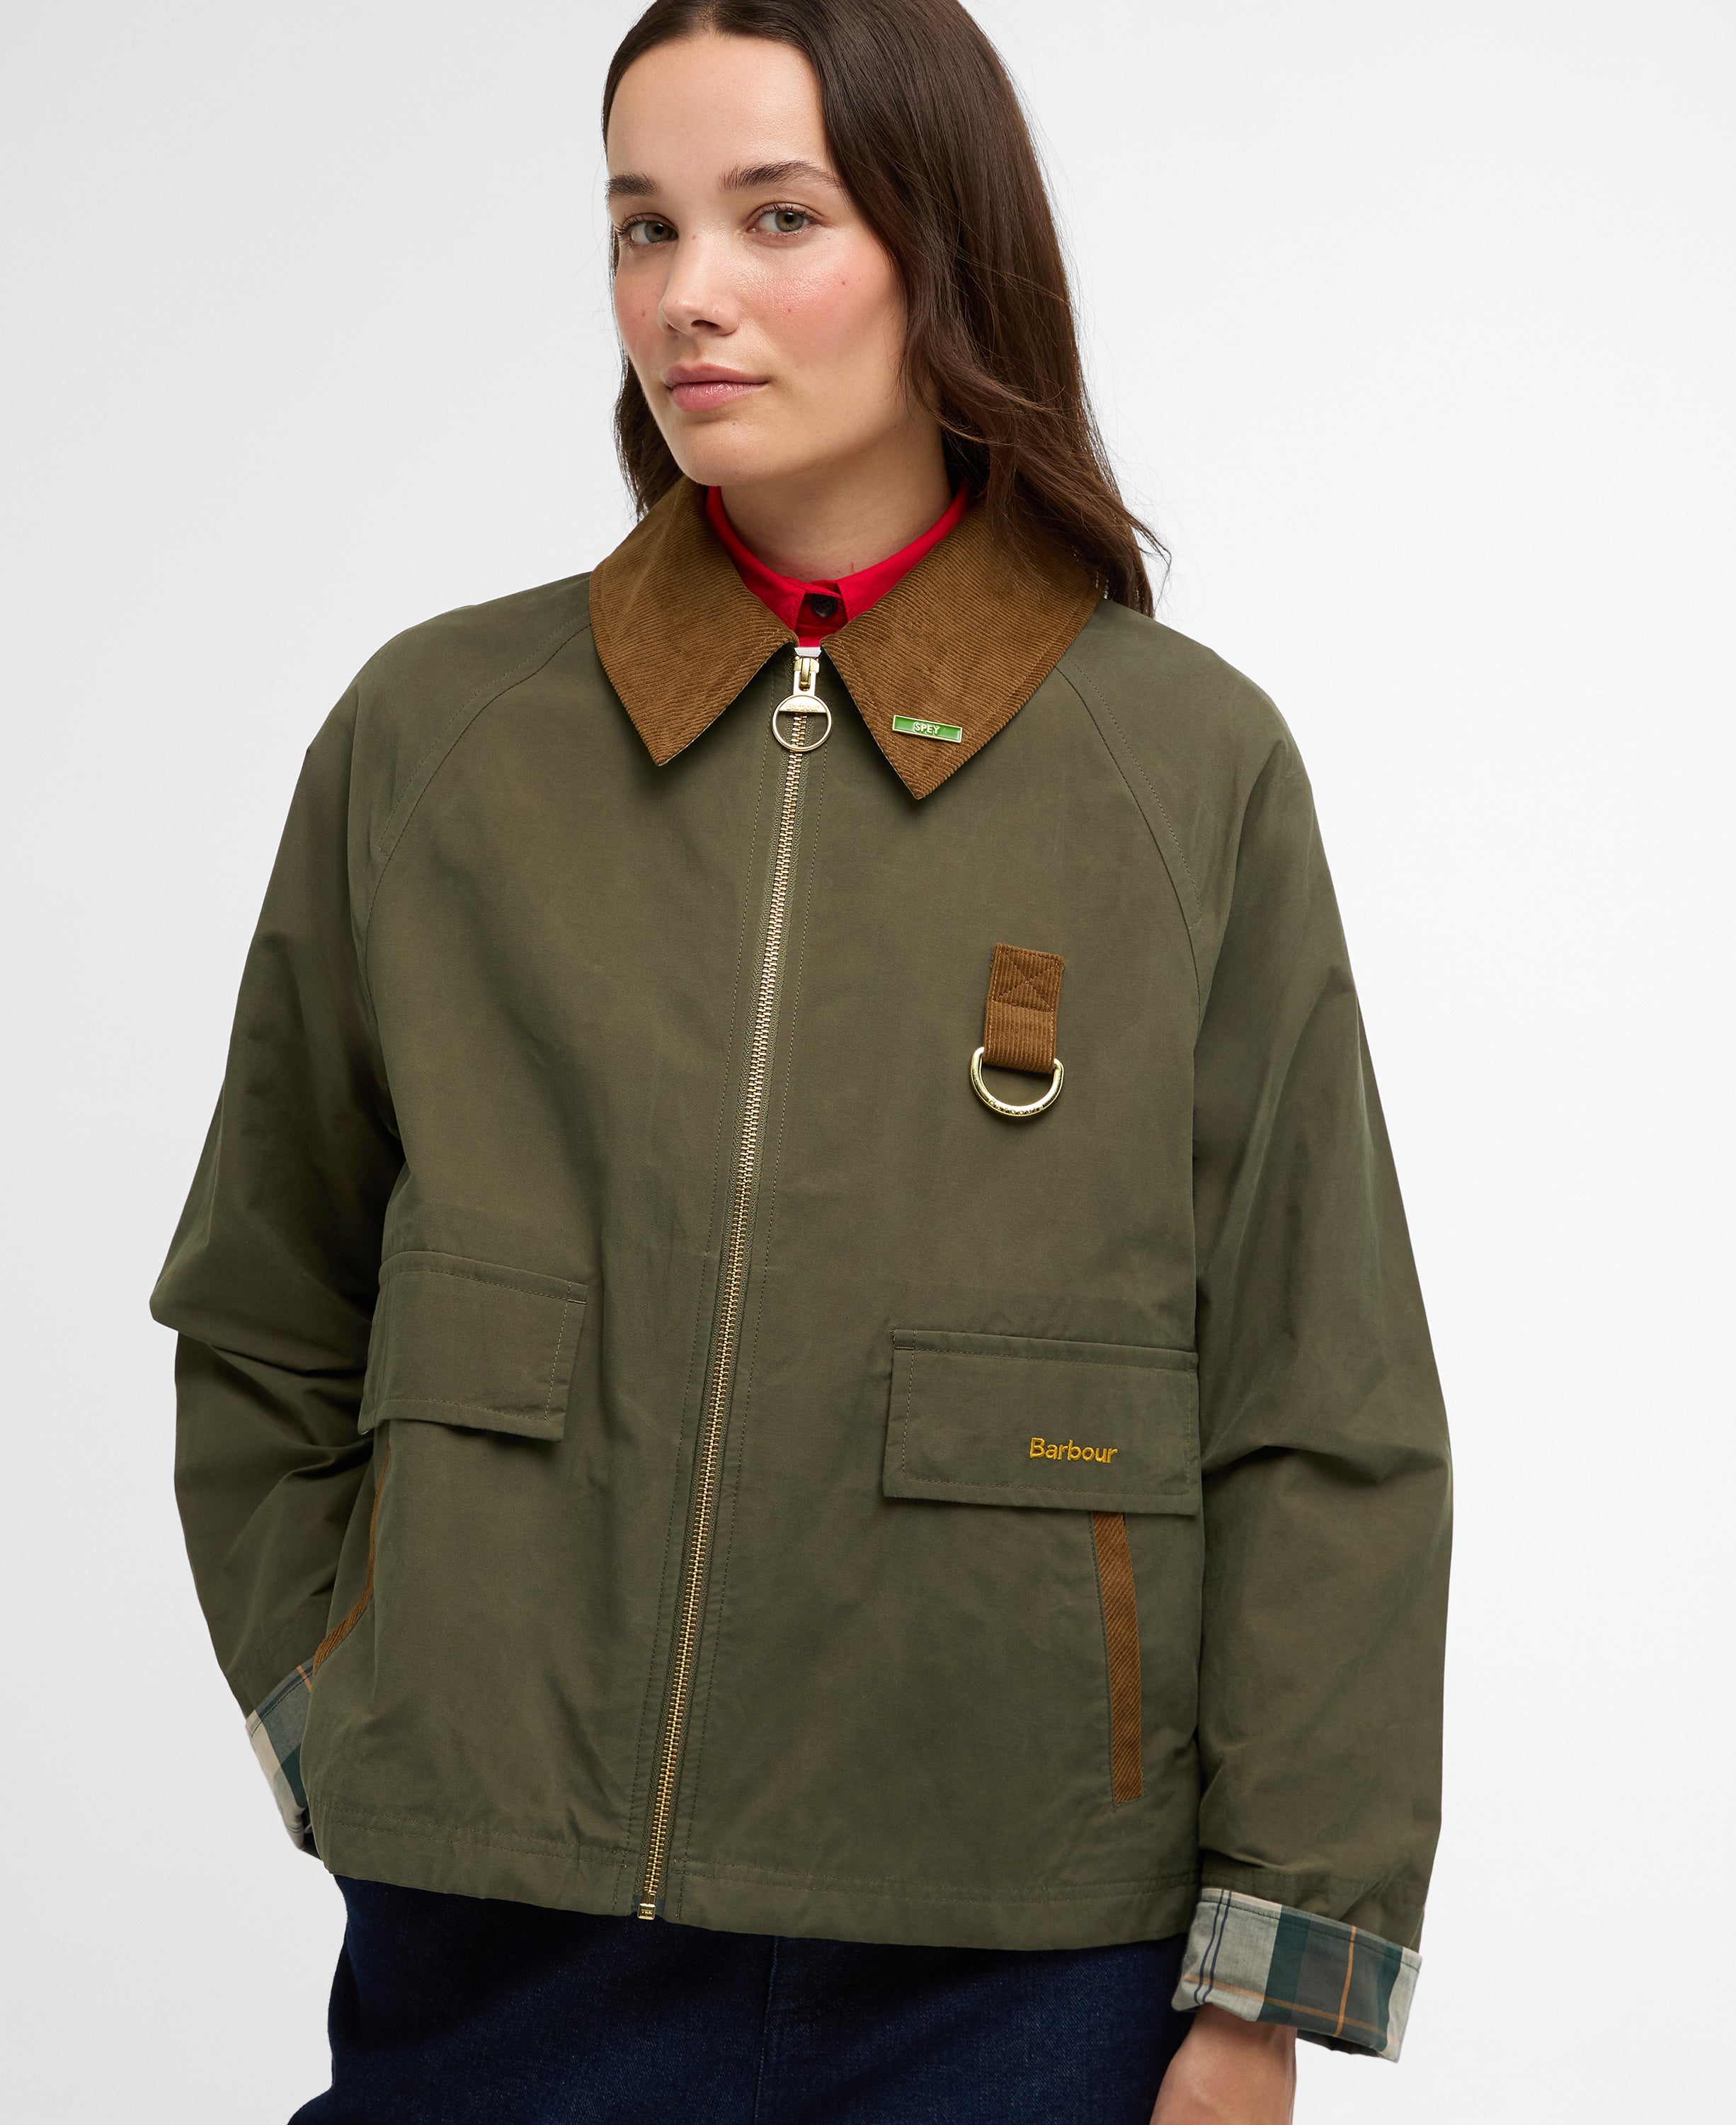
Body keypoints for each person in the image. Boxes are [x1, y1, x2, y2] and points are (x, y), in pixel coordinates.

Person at [150, 3, 1451, 2119]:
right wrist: (352, 1713)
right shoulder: (437, 737)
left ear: (944, 246)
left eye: (776, 218)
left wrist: (1262, 1985)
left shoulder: (1180, 764)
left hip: (1024, 1963)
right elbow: (262, 1303)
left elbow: (1325, 1404)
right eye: (642, 226)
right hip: (502, 1937)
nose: (690, 295)